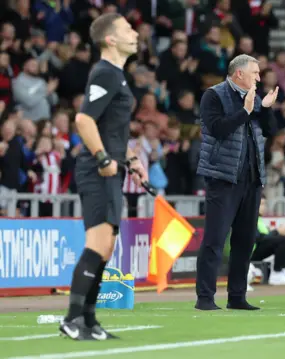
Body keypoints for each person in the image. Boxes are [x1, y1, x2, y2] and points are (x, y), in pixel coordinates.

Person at [60, 13, 147, 341]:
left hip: (112, 167)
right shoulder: (105, 73)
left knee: (106, 248)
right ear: (109, 39)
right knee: (97, 245)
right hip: (96, 170)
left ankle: (89, 320)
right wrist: (102, 157)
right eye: (127, 29)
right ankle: (71, 319)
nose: (135, 33)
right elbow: (84, 120)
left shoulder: (117, 76)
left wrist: (131, 159)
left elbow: (112, 131)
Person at [195, 54, 278, 311]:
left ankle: (237, 297)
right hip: (223, 178)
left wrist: (265, 108)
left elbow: (270, 131)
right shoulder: (214, 95)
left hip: (251, 179)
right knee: (215, 240)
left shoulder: (252, 98)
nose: (259, 77)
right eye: (255, 72)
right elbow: (217, 129)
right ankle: (205, 298)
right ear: (239, 73)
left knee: (245, 240)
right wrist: (246, 111)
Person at [252, 197, 285, 286]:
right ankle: (276, 274)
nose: (264, 207)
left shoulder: (259, 219)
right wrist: (277, 232)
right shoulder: (249, 218)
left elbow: (265, 237)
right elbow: (258, 238)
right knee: (282, 240)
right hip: (248, 253)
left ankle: (281, 270)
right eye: (261, 204)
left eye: (265, 204)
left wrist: (280, 232)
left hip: (257, 249)